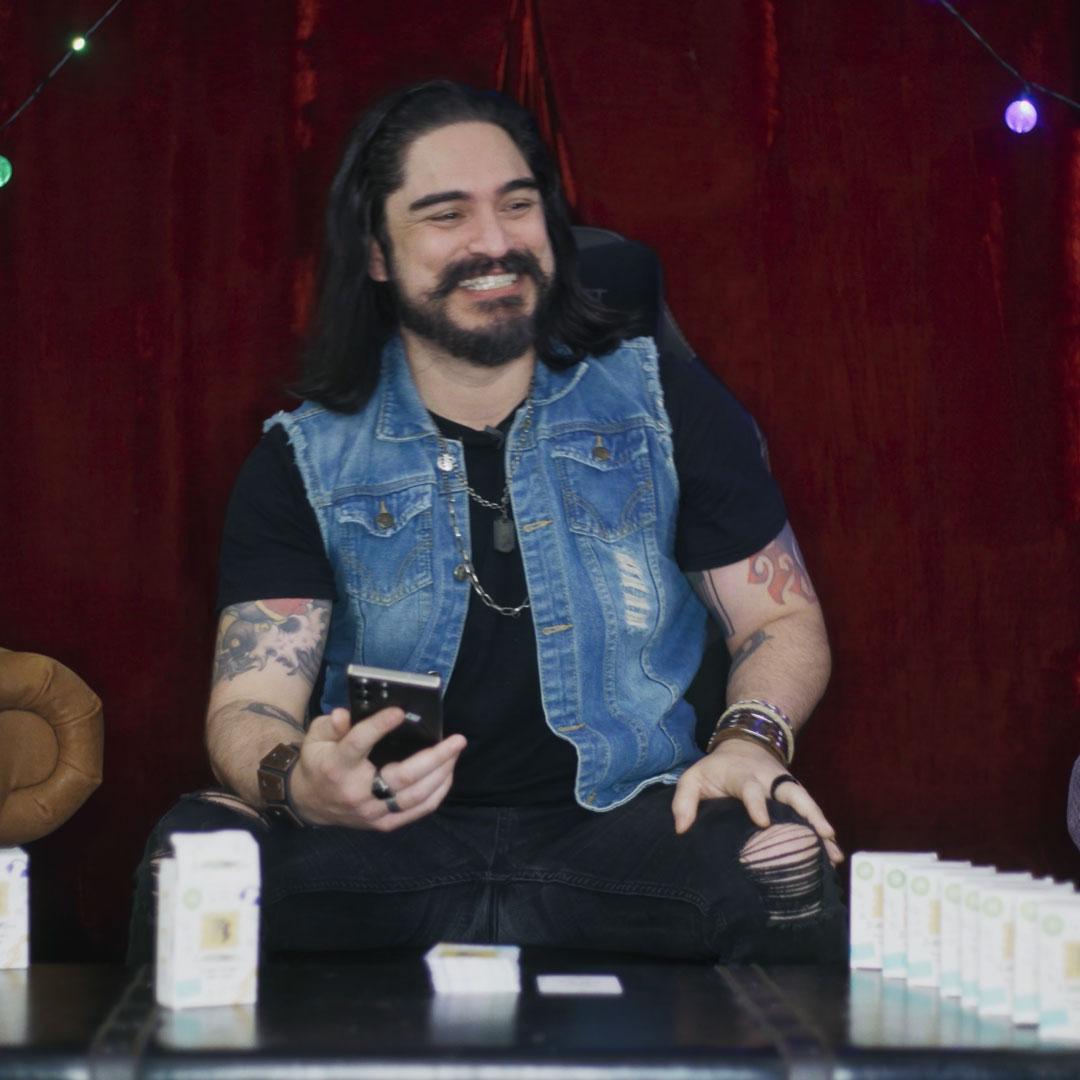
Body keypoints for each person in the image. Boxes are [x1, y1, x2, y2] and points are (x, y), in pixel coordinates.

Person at [130, 80, 845, 964]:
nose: (496, 241)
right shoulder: (304, 457)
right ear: (378, 254)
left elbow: (780, 617)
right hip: (384, 838)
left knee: (783, 864)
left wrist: (749, 739)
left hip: (624, 823)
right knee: (193, 864)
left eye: (518, 204)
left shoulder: (664, 404)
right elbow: (248, 706)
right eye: (445, 215)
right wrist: (298, 779)